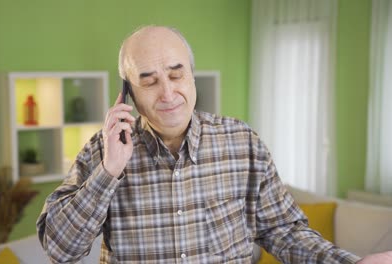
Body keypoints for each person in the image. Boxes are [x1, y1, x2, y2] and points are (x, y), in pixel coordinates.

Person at [37, 26, 392, 263]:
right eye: (149, 82)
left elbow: (283, 231)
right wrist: (109, 171)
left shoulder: (242, 142)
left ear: (192, 76)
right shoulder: (103, 152)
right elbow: (59, 250)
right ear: (128, 93)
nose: (168, 92)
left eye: (176, 74)